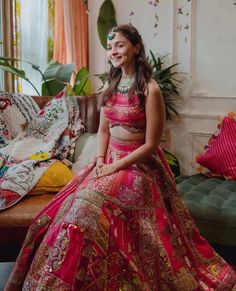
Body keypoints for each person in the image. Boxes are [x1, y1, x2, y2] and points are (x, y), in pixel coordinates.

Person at [5, 24, 236, 291]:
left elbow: (151, 145)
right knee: (68, 208)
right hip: (107, 162)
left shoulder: (150, 90)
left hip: (138, 166)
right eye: (110, 47)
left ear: (136, 47)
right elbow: (103, 130)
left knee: (90, 203)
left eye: (120, 45)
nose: (114, 51)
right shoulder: (109, 86)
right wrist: (101, 161)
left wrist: (115, 166)